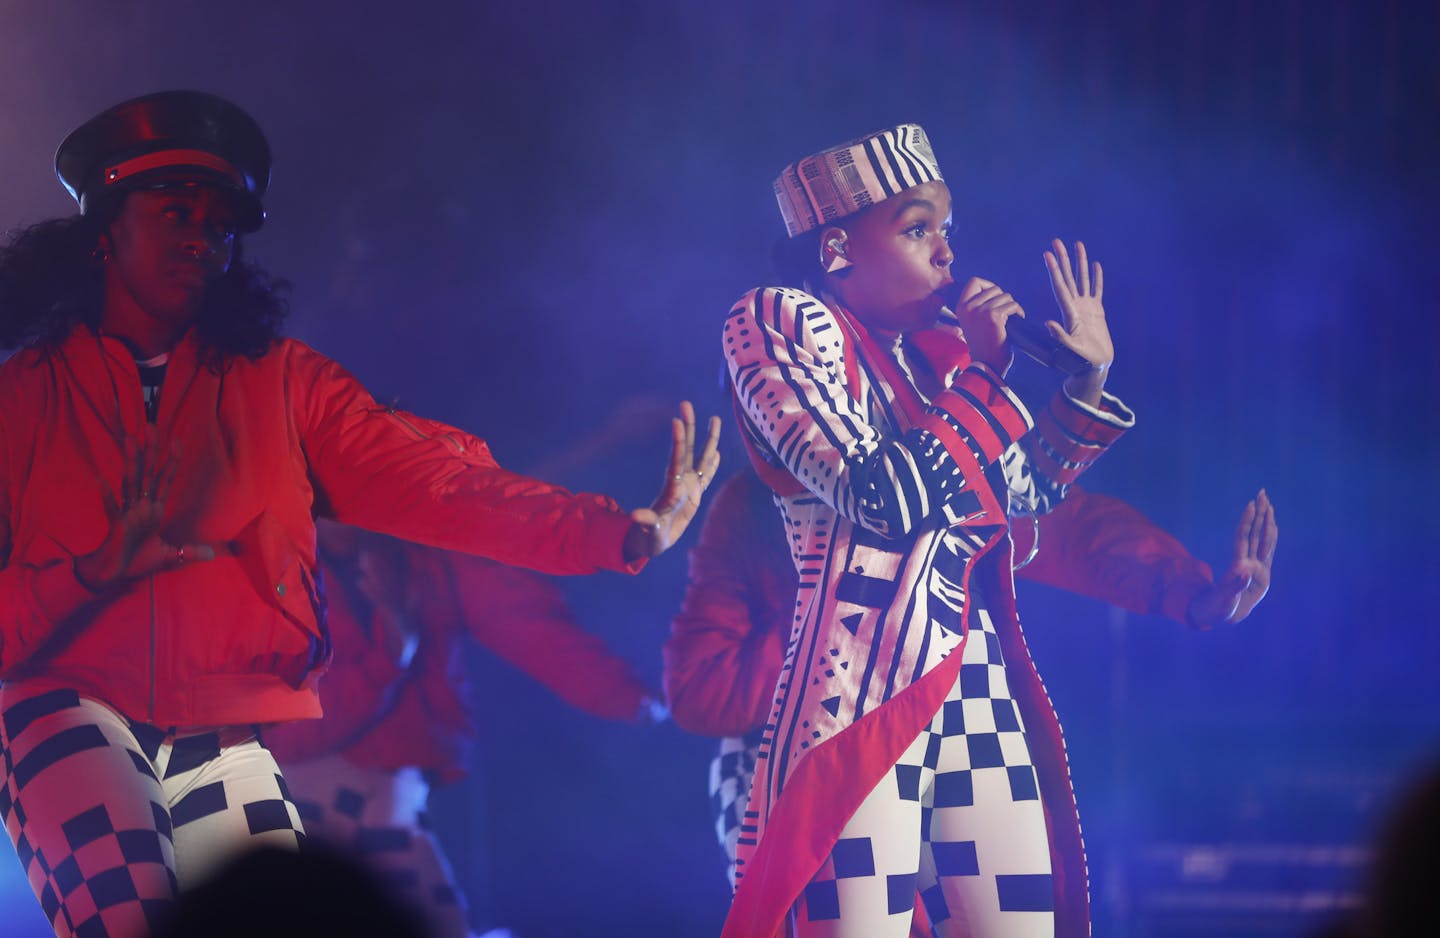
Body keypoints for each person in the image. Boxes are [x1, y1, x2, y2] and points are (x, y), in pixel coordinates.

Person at [0, 89, 720, 938]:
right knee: (134, 920)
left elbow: (442, 484)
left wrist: (619, 531)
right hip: (60, 705)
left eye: (221, 220)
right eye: (174, 210)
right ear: (106, 228)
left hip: (222, 726)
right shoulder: (20, 400)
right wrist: (92, 575)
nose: (202, 232)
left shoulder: (284, 384)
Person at [718, 124, 1276, 938]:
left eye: (948, 228)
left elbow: (1015, 499)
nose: (948, 254)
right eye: (917, 228)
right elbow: (880, 496)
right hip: (856, 691)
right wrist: (983, 371)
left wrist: (1086, 382)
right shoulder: (777, 320)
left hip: (974, 680)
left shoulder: (930, 357)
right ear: (836, 247)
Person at [663, 468, 1275, 927]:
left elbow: (1071, 530)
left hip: (947, 740)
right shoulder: (752, 506)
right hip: (802, 756)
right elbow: (698, 689)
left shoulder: (945, 459)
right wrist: (846, 613)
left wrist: (1195, 593)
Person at [265, 520, 663, 937]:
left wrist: (626, 694)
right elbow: (289, 728)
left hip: (389, 788)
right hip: (323, 794)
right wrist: (392, 655)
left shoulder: (423, 547)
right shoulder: (281, 562)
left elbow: (524, 621)